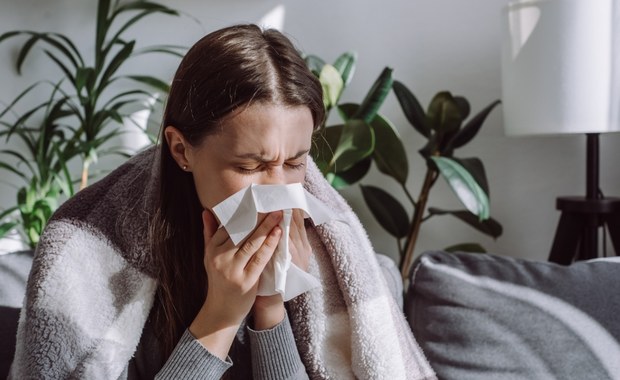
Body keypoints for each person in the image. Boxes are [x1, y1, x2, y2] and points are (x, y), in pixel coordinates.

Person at [9, 24, 436, 379]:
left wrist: (271, 305)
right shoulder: (95, 252)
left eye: (295, 162)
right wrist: (220, 316)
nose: (279, 190)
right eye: (251, 166)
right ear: (181, 151)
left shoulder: (319, 242)